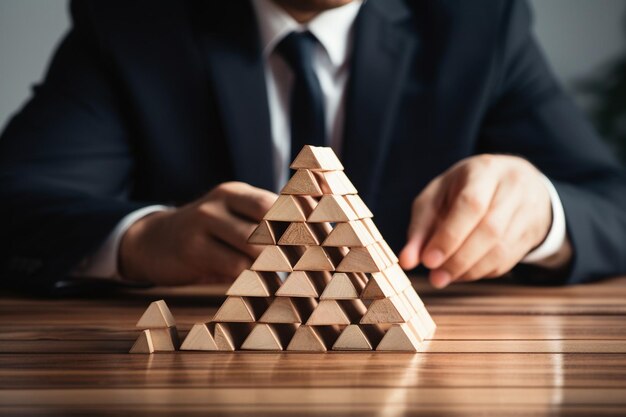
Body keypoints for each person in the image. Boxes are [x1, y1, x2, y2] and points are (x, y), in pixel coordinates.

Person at [1, 0, 625, 294]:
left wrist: (542, 212)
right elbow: (14, 202)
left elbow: (612, 203)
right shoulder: (132, 24)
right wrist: (143, 239)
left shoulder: (479, 24)